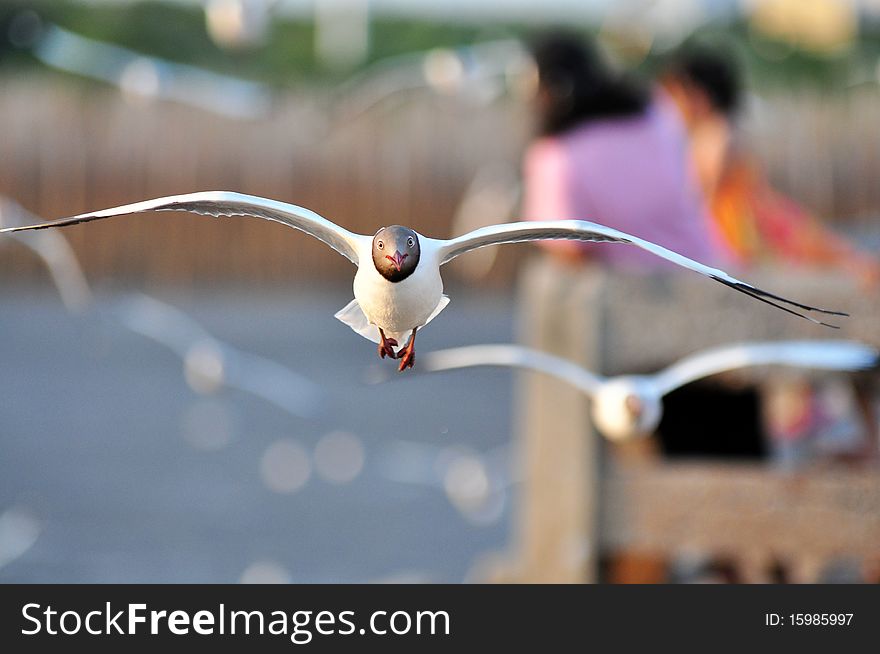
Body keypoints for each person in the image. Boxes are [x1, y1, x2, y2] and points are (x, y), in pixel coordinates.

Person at [660, 45, 880, 286]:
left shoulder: (712, 135)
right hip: (757, 214)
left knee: (819, 261)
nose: (671, 106)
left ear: (698, 96)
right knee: (827, 256)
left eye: (675, 95)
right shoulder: (718, 130)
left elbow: (701, 198)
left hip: (744, 224)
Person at [521, 31, 726, 269]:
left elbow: (569, 251)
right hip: (708, 269)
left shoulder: (555, 159)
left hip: (633, 295)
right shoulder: (654, 114)